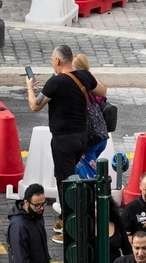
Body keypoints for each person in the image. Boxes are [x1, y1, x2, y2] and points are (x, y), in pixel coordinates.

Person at [27, 45, 104, 187]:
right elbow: (102, 91)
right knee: (75, 178)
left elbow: (35, 105)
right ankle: (80, 205)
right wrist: (89, 74)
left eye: (51, 60)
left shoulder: (55, 82)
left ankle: (69, 208)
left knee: (65, 183)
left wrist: (30, 88)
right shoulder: (84, 76)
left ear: (57, 61)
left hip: (63, 140)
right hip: (82, 137)